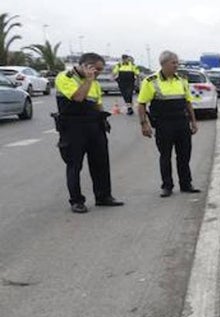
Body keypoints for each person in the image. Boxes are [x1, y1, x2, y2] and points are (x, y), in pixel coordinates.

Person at [55, 52, 124, 213]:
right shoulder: (65, 77)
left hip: (94, 126)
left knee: (101, 162)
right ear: (86, 66)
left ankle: (103, 196)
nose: (99, 73)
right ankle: (76, 200)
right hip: (73, 127)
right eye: (97, 69)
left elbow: (97, 103)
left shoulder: (95, 82)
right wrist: (88, 79)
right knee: (74, 165)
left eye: (101, 70)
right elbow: (78, 97)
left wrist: (103, 120)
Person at [137, 51, 200, 197]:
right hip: (163, 124)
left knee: (184, 155)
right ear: (163, 64)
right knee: (165, 156)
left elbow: (188, 102)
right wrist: (143, 124)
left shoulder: (182, 80)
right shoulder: (151, 81)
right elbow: (141, 104)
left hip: (182, 123)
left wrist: (193, 122)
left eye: (177, 62)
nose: (176, 65)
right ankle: (167, 186)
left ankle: (186, 184)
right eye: (173, 63)